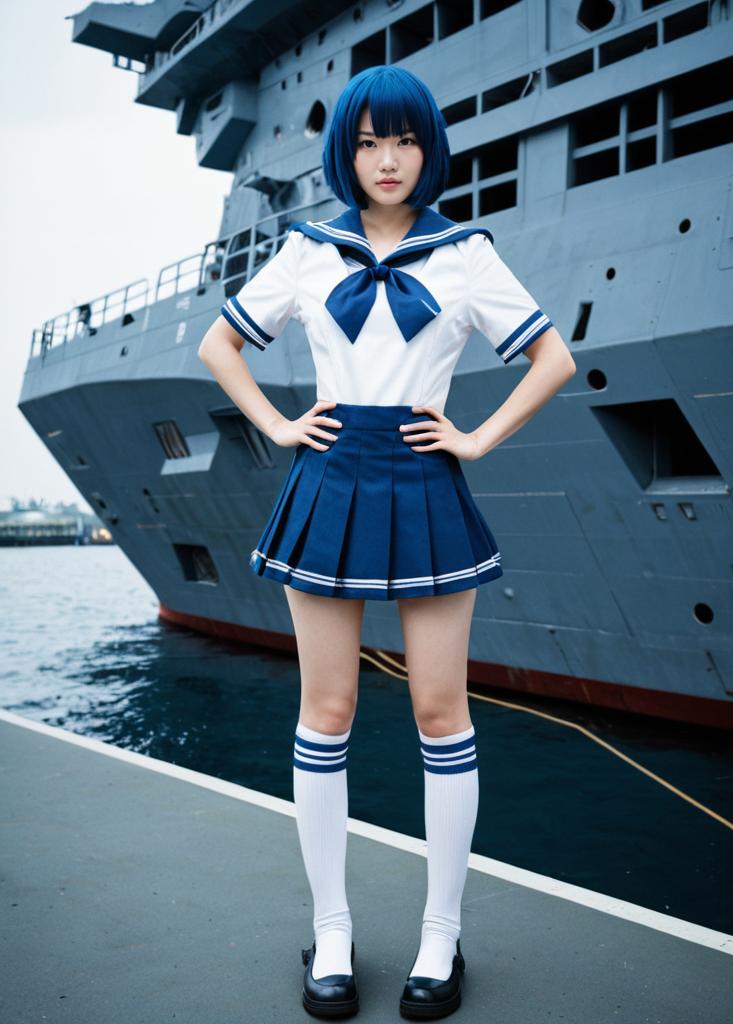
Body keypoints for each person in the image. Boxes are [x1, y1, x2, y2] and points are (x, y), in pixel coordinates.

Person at [198, 64, 576, 1020]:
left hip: (424, 481)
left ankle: (441, 940)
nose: (388, 159)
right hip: (327, 481)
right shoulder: (307, 250)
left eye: (403, 139)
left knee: (441, 714)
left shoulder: (466, 253)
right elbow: (220, 345)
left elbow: (551, 356)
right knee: (326, 711)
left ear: (427, 147)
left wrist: (476, 438)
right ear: (347, 153)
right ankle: (333, 929)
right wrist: (280, 426)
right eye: (368, 142)